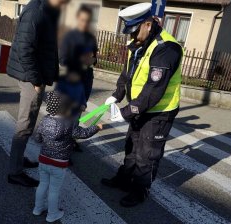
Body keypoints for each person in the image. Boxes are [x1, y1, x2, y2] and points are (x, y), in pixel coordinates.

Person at [101, 3, 183, 207]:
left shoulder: (166, 48)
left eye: (135, 30)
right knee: (132, 146)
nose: (132, 35)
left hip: (159, 112)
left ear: (147, 24)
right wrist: (117, 95)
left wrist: (127, 111)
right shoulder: (138, 42)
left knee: (147, 153)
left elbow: (154, 90)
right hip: (140, 107)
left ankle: (139, 191)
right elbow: (127, 73)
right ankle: (123, 180)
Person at [6, 0, 70, 188]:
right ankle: (14, 172)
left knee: (27, 123)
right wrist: (36, 80)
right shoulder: (37, 11)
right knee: (25, 125)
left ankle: (18, 160)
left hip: (35, 76)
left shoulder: (46, 9)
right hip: (32, 79)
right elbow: (24, 48)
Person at [33, 91, 102, 223]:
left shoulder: (45, 120)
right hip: (59, 163)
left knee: (43, 184)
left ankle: (37, 208)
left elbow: (37, 138)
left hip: (43, 159)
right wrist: (96, 128)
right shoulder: (69, 123)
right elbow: (83, 133)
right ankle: (52, 214)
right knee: (54, 189)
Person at [59, 5, 98, 102]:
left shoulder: (91, 38)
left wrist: (92, 60)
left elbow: (94, 58)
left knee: (80, 110)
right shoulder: (69, 37)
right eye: (82, 20)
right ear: (78, 19)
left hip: (87, 78)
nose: (85, 23)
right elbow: (62, 60)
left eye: (87, 21)